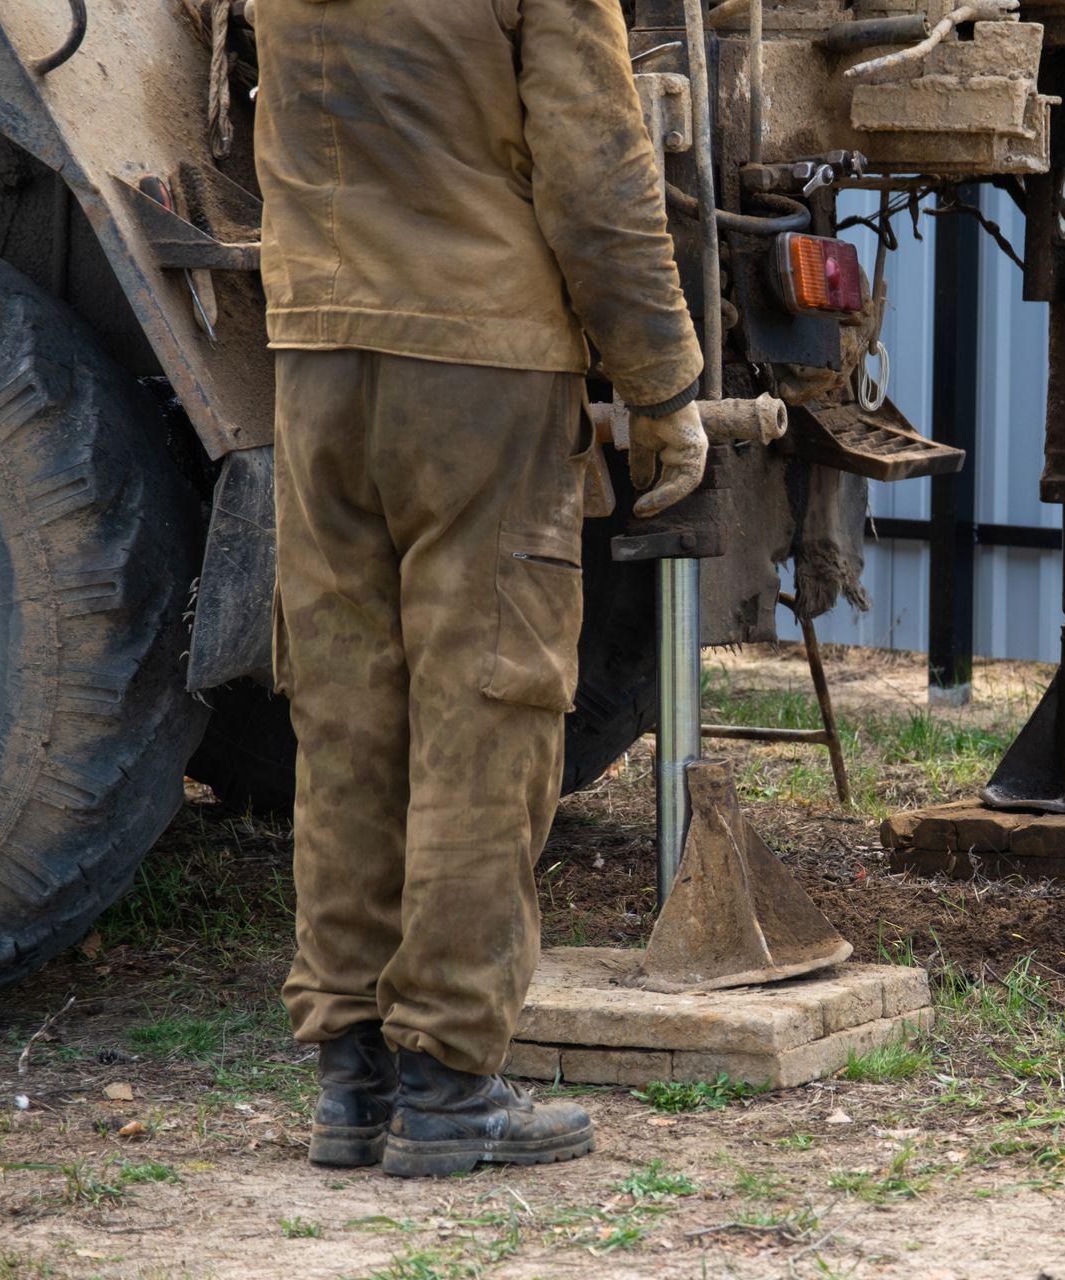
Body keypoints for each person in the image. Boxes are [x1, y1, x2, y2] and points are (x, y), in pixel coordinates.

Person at [254, 0, 708, 1177]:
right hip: (480, 361)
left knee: (345, 707)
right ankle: (452, 1081)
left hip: (315, 358)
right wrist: (662, 383)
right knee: (486, 710)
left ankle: (352, 1076)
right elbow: (598, 174)